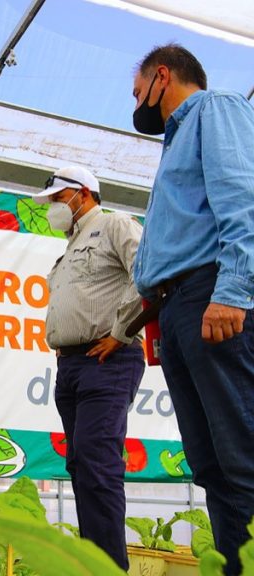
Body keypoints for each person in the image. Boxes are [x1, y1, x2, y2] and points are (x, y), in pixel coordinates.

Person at [131, 43, 254, 575]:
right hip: (178, 306)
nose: (137, 106)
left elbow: (242, 198)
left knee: (242, 452)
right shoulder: (175, 143)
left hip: (211, 294)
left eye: (139, 93)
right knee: (211, 464)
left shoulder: (214, 108)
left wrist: (233, 290)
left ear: (164, 77)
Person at [33, 165, 145, 570]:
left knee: (97, 463)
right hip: (73, 364)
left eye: (58, 200)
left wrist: (121, 331)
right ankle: (93, 563)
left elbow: (146, 273)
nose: (53, 210)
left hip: (109, 358)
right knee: (81, 465)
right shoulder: (68, 248)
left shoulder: (115, 224)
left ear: (83, 194)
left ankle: (110, 568)